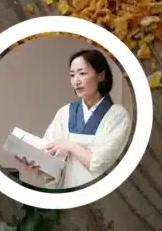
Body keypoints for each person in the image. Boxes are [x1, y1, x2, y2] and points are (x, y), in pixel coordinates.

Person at [14, 48, 132, 189]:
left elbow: (101, 163)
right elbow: (49, 155)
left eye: (82, 73)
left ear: (101, 76)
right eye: (72, 75)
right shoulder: (65, 113)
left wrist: (70, 145)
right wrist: (37, 165)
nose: (76, 81)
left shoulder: (118, 116)